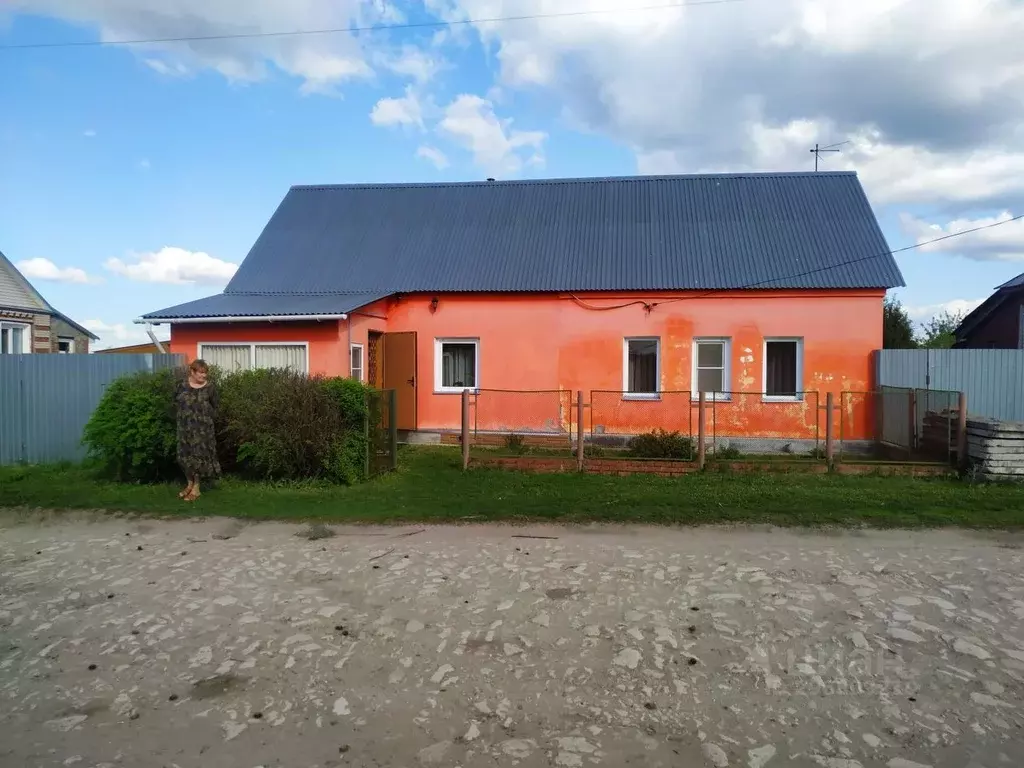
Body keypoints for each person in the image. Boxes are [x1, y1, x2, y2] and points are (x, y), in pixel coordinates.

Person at [176, 359, 220, 502]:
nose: (203, 375)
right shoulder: (181, 385)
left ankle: (196, 488)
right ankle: (189, 484)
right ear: (192, 372)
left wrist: (206, 419)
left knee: (198, 457)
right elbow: (174, 402)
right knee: (185, 456)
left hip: (202, 430)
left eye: (205, 373)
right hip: (185, 428)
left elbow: (216, 406)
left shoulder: (210, 388)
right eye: (201, 373)